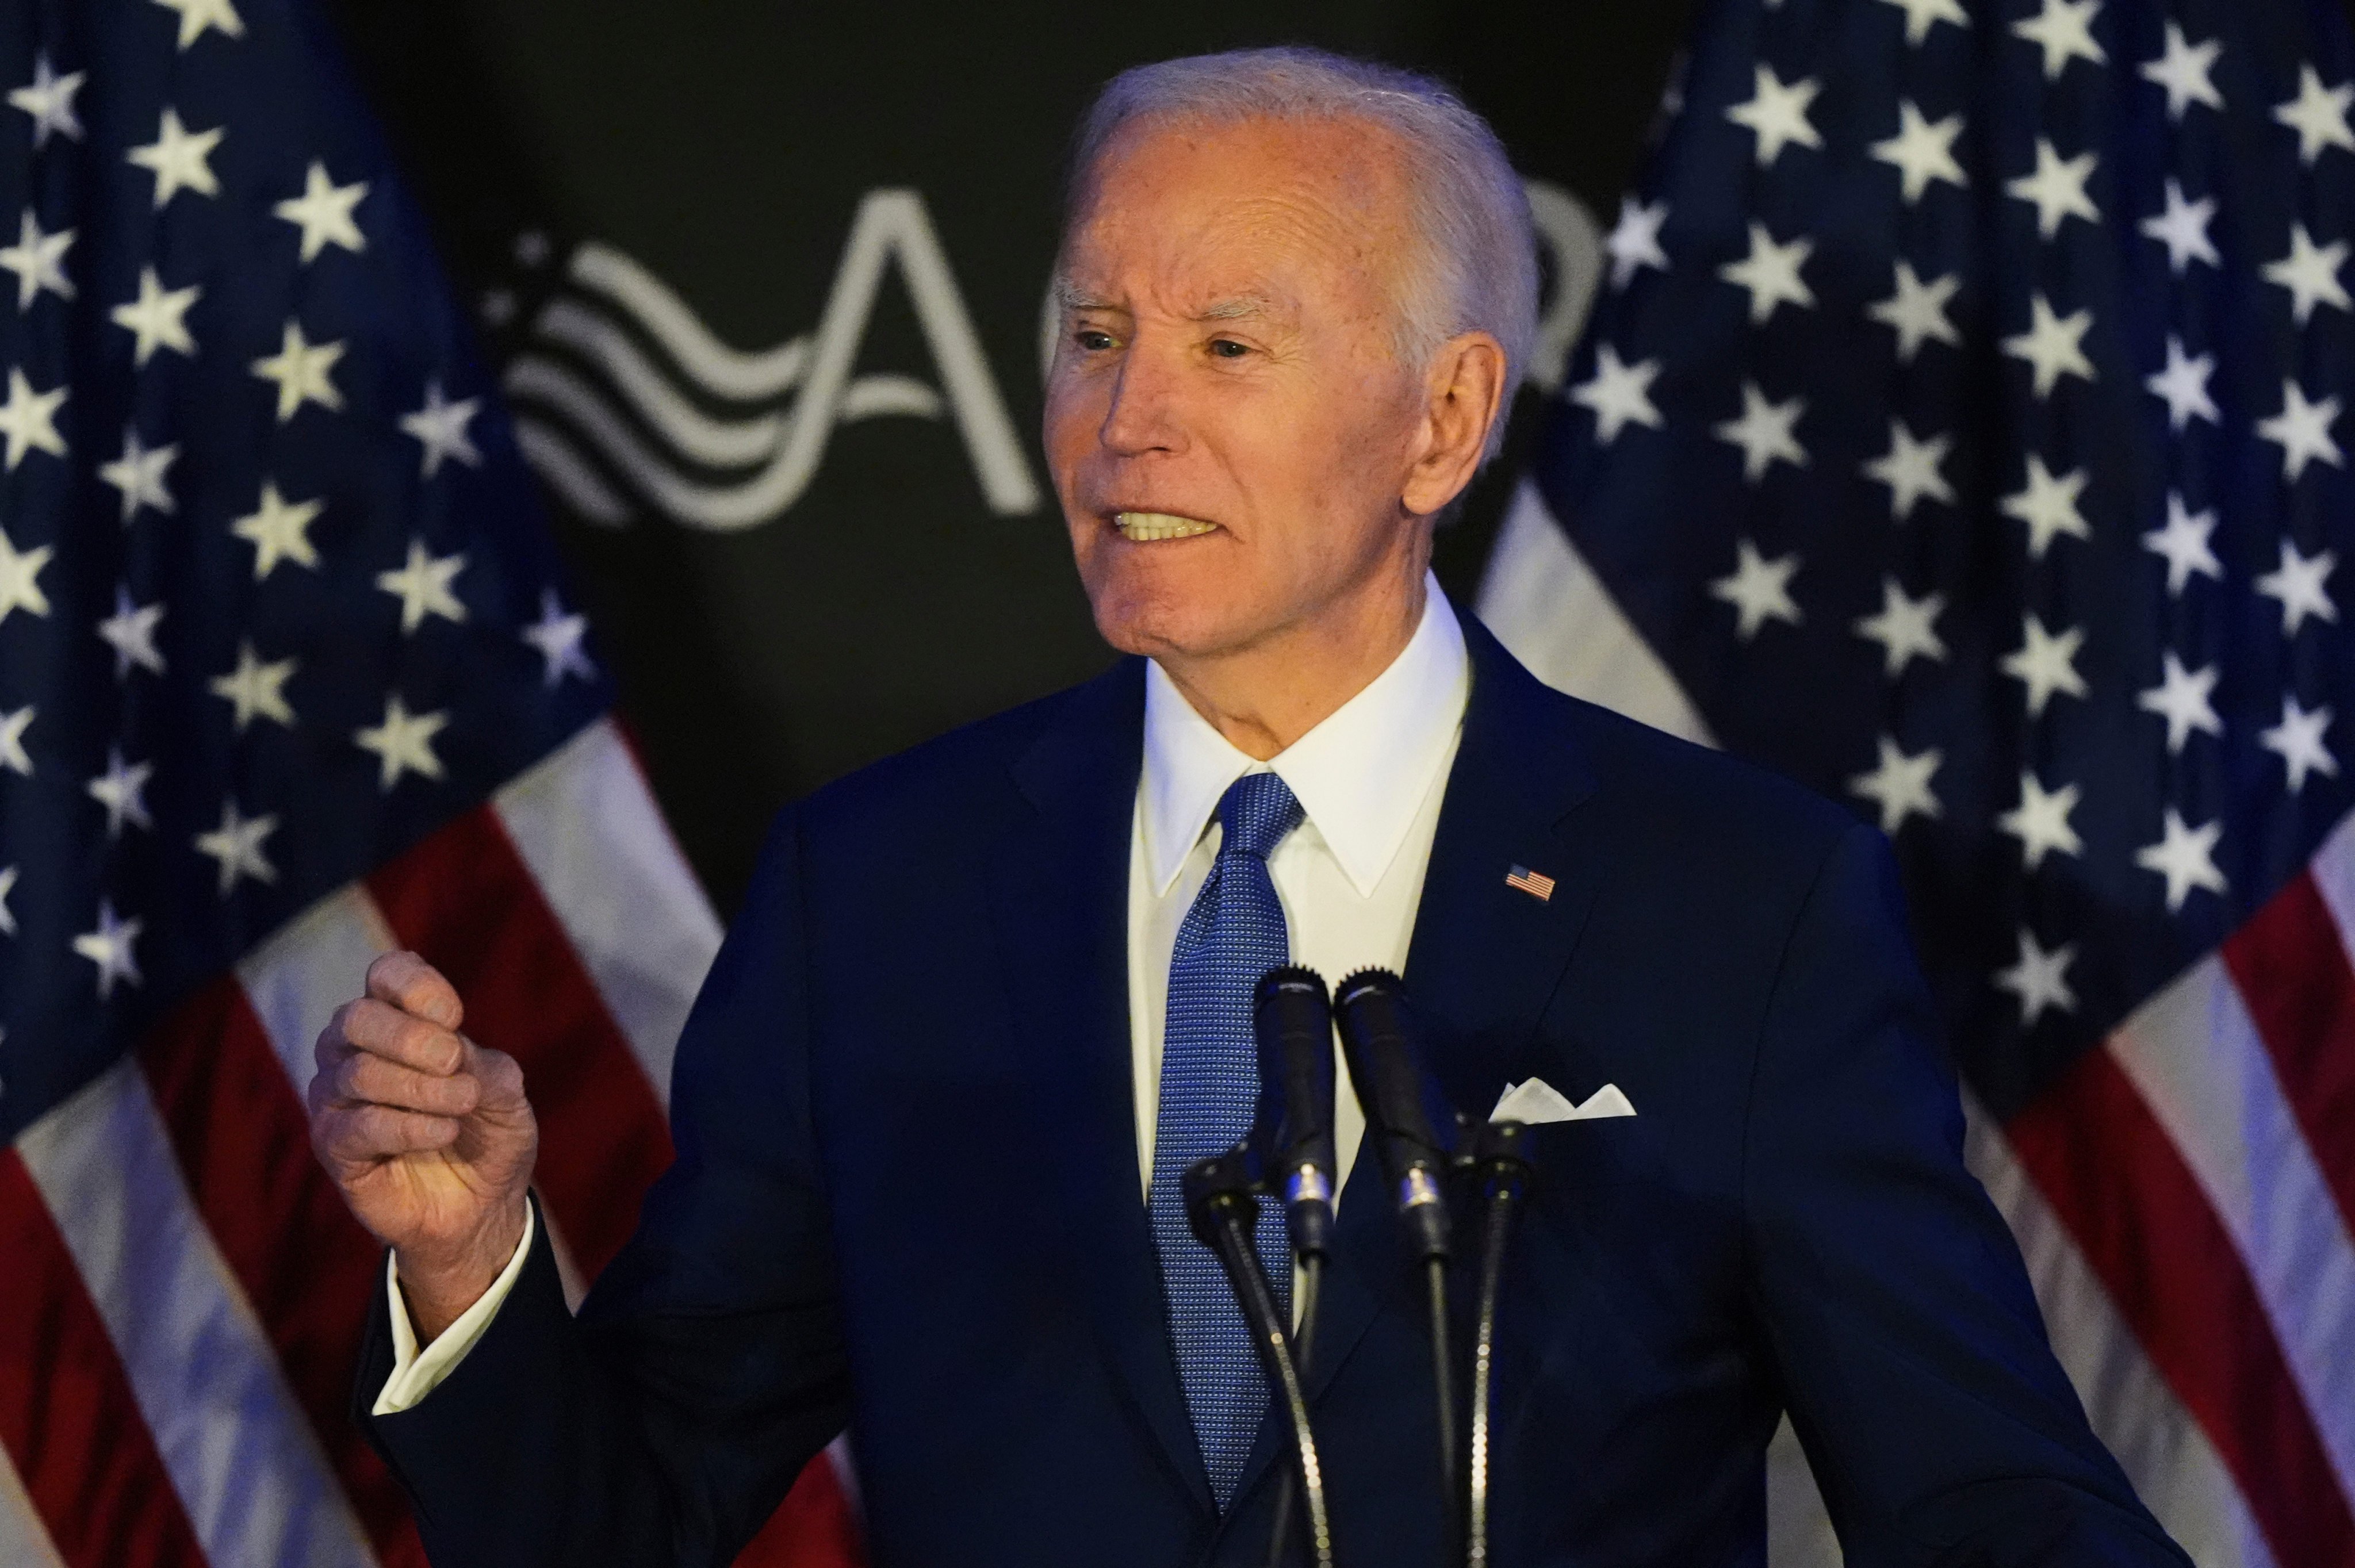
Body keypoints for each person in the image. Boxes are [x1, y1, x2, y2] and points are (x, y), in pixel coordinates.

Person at [309, 47, 2188, 1568]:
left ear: (1441, 423)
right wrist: (471, 1269)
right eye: (1092, 330)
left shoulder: (1739, 906)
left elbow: (1984, 1504)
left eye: (1226, 345)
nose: (1127, 418)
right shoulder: (875, 894)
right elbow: (617, 1524)